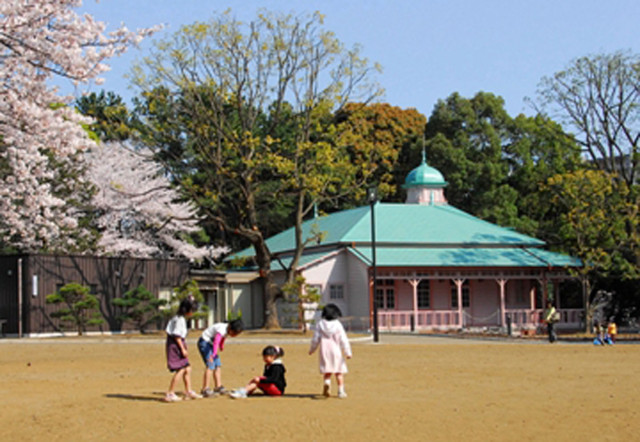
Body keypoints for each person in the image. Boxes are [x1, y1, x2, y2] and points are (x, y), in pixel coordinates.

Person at [309, 303, 352, 398]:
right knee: (339, 372)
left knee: (327, 371)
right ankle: (341, 391)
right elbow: (343, 339)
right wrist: (347, 352)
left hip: (324, 351)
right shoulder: (338, 325)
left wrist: (312, 349)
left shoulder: (320, 324)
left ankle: (327, 383)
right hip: (336, 350)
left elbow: (315, 339)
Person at [164, 297, 202, 402]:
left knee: (187, 368)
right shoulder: (179, 320)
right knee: (181, 369)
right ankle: (170, 393)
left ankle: (188, 391)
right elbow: (177, 336)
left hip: (178, 344)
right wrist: (183, 349)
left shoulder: (179, 318)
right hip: (175, 346)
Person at [197, 319, 244, 397]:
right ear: (230, 328)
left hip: (211, 345)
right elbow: (216, 341)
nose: (235, 335)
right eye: (235, 333)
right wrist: (214, 354)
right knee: (210, 365)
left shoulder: (226, 330)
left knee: (217, 365)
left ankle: (218, 387)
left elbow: (223, 338)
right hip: (205, 343)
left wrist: (221, 345)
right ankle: (205, 389)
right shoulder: (222, 330)